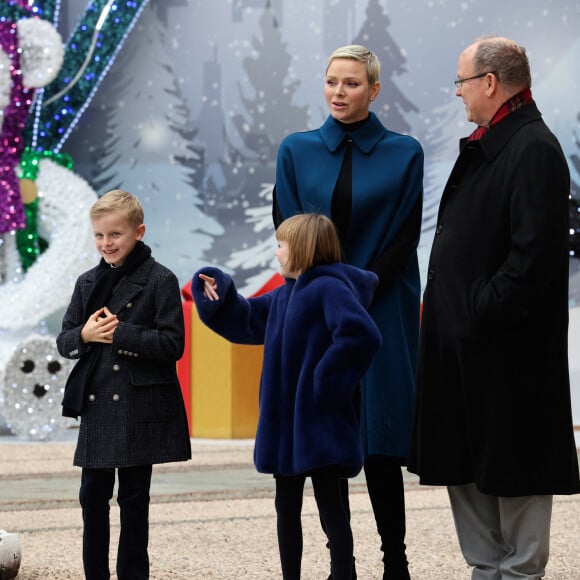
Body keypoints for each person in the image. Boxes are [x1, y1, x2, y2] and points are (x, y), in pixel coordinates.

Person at [407, 36, 580, 579]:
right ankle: (487, 573)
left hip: (507, 353)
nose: (456, 92)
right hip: (466, 348)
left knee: (517, 469)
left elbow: (534, 255)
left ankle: (519, 575)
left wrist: (481, 309)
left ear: (488, 83)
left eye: (461, 81)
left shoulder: (532, 148)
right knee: (467, 463)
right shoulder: (491, 143)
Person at [273, 45, 423, 579]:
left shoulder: (405, 153)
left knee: (380, 438)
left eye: (352, 84)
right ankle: (343, 565)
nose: (340, 92)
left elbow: (405, 234)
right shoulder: (296, 150)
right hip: (317, 305)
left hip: (382, 306)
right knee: (326, 430)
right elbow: (289, 228)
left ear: (374, 90)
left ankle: (396, 564)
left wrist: (358, 288)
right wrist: (328, 292)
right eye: (333, 82)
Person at [191, 213, 382, 580]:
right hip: (285, 426)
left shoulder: (329, 288)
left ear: (304, 250)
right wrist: (220, 298)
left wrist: (324, 383)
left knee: (331, 506)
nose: (276, 253)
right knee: (286, 507)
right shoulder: (283, 296)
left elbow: (361, 336)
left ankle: (344, 574)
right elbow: (247, 320)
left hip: (320, 422)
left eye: (281, 245)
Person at [57, 189, 192, 580]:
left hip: (139, 406)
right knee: (91, 498)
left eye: (115, 235)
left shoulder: (160, 279)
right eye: (99, 235)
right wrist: (84, 334)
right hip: (98, 404)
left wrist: (120, 334)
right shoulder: (86, 283)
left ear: (139, 232)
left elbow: (173, 345)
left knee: (134, 500)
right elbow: (65, 340)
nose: (106, 244)